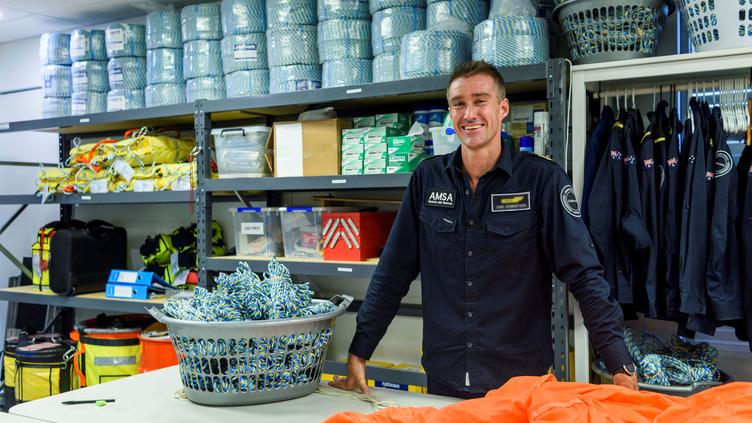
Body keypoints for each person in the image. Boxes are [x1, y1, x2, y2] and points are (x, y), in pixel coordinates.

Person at [330, 61, 637, 398]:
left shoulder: (542, 181)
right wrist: (360, 351)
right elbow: (392, 273)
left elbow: (584, 275)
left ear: (502, 108)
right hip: (443, 378)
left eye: (480, 100)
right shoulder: (427, 180)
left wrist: (620, 366)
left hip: (519, 382)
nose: (469, 113)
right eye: (459, 103)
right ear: (450, 111)